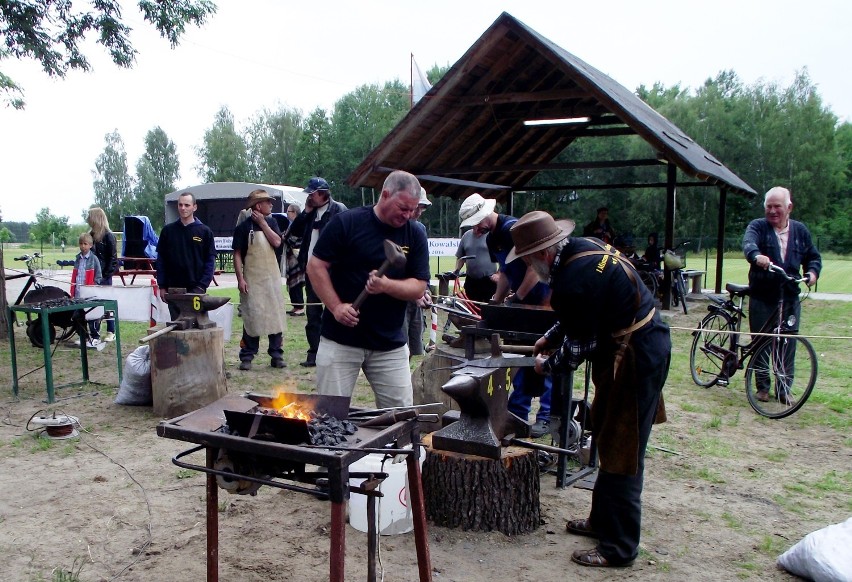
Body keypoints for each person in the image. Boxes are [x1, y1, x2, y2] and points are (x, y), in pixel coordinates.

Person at [508, 210, 670, 569]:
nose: (531, 270)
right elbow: (577, 316)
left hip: (636, 355)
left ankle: (619, 548)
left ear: (544, 255)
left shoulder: (574, 279)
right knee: (606, 435)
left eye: (530, 262)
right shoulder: (582, 250)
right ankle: (601, 521)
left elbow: (578, 347)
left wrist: (545, 365)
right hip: (626, 348)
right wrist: (547, 338)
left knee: (622, 448)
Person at [307, 170, 429, 408]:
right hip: (340, 340)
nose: (408, 215)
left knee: (400, 418)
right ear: (385, 195)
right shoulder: (347, 223)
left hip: (389, 344)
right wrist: (335, 307)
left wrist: (386, 285)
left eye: (412, 210)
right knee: (329, 417)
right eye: (403, 208)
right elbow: (315, 266)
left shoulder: (414, 233)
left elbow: (418, 287)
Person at [458, 193, 552, 437]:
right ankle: (517, 414)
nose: (476, 228)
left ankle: (546, 416)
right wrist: (497, 301)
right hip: (522, 303)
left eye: (477, 222)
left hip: (544, 301)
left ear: (488, 213)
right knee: (521, 360)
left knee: (546, 357)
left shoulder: (514, 229)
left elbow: (533, 268)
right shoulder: (492, 239)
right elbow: (506, 273)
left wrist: (517, 297)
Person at [742, 186, 821, 403]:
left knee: (788, 342)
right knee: (761, 341)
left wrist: (812, 273)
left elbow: (813, 256)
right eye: (769, 206)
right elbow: (748, 244)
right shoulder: (758, 226)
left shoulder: (800, 231)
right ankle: (762, 387)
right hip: (762, 295)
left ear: (789, 208)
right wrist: (757, 256)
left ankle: (785, 388)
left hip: (789, 297)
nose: (773, 211)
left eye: (777, 206)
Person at [232, 189, 287, 371]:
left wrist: (263, 224)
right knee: (252, 315)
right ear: (258, 205)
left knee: (275, 316)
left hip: (271, 277)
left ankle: (276, 354)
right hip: (252, 278)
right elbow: (238, 254)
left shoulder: (271, 222)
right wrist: (240, 278)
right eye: (267, 202)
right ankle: (247, 355)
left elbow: (277, 242)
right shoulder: (243, 227)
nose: (271, 205)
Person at [297, 177, 347, 367]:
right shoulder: (310, 213)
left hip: (333, 272)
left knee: (335, 311)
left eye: (312, 194)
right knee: (312, 313)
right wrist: (306, 212)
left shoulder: (339, 210)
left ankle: (338, 353)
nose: (310, 198)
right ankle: (314, 352)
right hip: (312, 272)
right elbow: (294, 232)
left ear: (323, 193)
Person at [155, 192, 217, 320]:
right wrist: (162, 286)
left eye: (187, 205)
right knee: (177, 328)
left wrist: (202, 286)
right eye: (180, 205)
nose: (183, 208)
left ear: (194, 207)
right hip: (173, 290)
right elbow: (161, 261)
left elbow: (210, 261)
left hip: (196, 289)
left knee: (197, 327)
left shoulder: (205, 232)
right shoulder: (168, 231)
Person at [403, 187, 433, 359]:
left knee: (413, 345)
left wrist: (425, 290)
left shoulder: (419, 229)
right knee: (399, 346)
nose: (419, 212)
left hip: (415, 299)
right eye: (417, 207)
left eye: (422, 208)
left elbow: (422, 266)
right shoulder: (392, 228)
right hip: (396, 298)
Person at [86, 207, 118, 343]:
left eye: (89, 216)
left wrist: (105, 276)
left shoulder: (108, 236)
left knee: (107, 305)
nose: (87, 219)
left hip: (104, 276)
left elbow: (113, 259)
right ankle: (94, 334)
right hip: (91, 276)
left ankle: (111, 331)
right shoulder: (90, 236)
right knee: (91, 305)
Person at [70, 232, 103, 348]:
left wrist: (92, 286)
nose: (83, 246)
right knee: (77, 316)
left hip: (89, 294)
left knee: (92, 317)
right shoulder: (78, 259)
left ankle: (95, 337)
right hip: (78, 294)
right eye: (81, 244)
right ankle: (83, 337)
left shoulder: (94, 259)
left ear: (90, 245)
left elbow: (99, 277)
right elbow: (75, 275)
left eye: (85, 244)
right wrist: (73, 290)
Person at [454, 227, 498, 303]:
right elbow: (460, 257)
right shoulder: (466, 235)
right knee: (471, 308)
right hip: (471, 281)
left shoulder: (491, 235)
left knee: (489, 309)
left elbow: (503, 257)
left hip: (489, 281)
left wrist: (499, 273)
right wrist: (456, 270)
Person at [283, 202, 307, 316]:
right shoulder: (292, 224)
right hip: (291, 256)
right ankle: (296, 305)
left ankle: (300, 307)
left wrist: (284, 237)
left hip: (296, 257)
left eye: (288, 211)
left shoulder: (299, 223)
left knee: (296, 282)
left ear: (294, 212)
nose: (287, 214)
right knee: (292, 282)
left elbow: (293, 239)